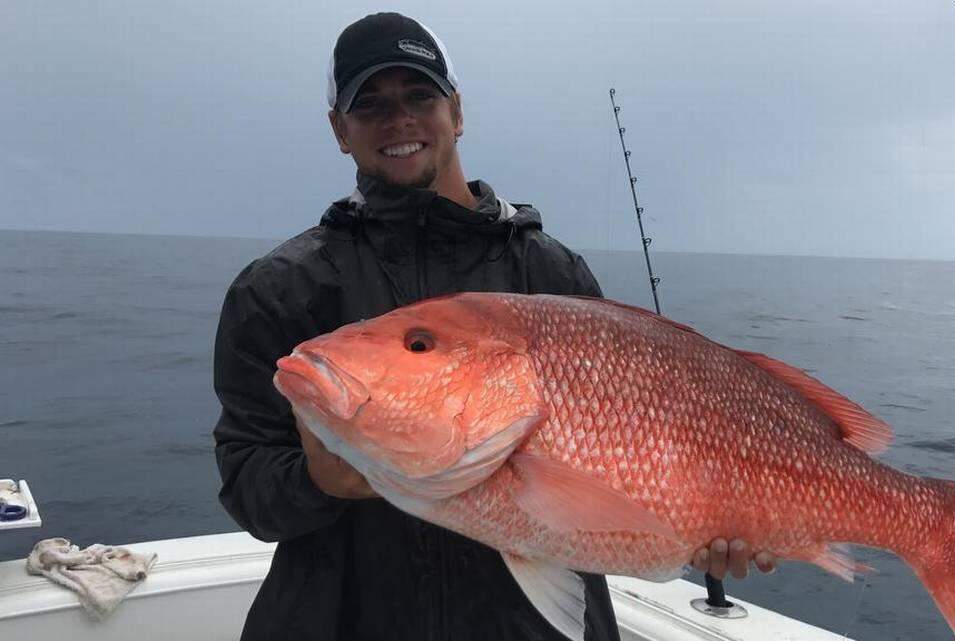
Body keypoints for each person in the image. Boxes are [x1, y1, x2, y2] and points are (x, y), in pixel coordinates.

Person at [212, 12, 771, 641]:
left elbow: (635, 453)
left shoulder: (548, 270)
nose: (399, 119)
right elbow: (245, 481)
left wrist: (701, 527)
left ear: (456, 110)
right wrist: (318, 480)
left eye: (419, 95)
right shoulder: (278, 289)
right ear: (340, 130)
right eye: (369, 105)